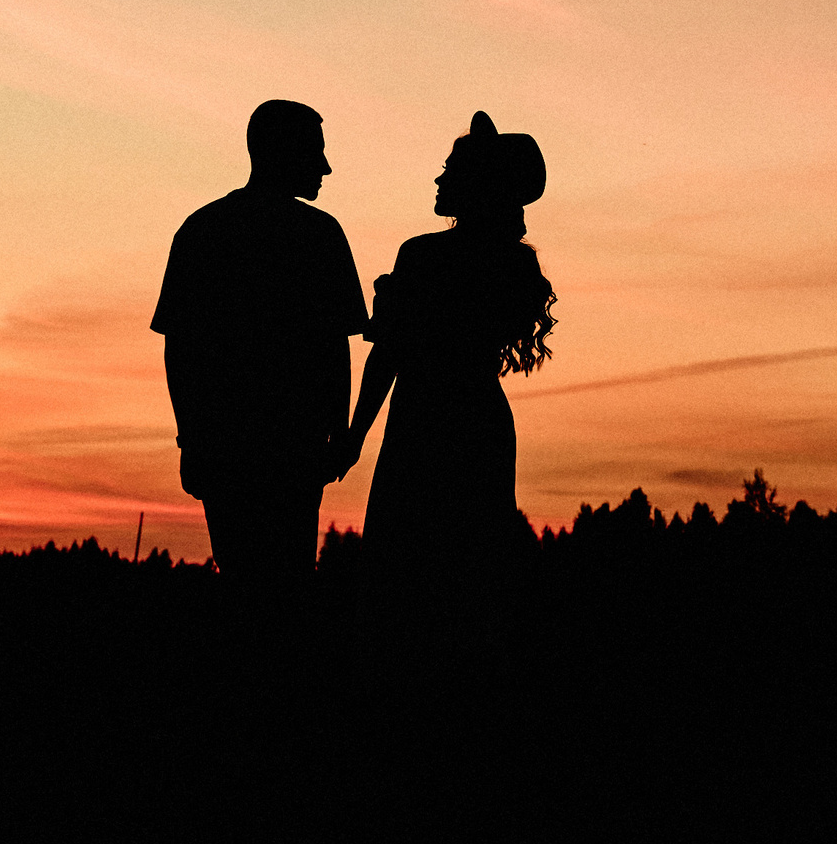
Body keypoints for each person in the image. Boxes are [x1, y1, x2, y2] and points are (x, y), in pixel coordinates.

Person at [338, 111, 557, 659]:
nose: (437, 181)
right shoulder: (507, 263)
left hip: (422, 426)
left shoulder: (424, 255)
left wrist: (354, 433)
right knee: (469, 573)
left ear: (474, 185)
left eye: (447, 171)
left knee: (405, 570)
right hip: (480, 422)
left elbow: (388, 353)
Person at [151, 99, 367, 597]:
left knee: (244, 585)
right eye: (317, 151)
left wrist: (191, 438)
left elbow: (180, 350)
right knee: (287, 587)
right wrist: (338, 432)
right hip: (292, 444)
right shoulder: (321, 235)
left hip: (227, 444)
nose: (326, 166)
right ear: (282, 152)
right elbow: (336, 348)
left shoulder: (201, 229)